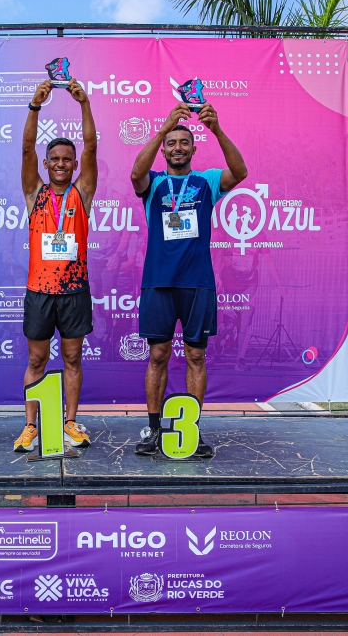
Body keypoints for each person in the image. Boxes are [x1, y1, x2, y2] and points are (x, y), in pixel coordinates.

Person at [129, 101, 248, 456]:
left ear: (194, 150)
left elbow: (239, 171)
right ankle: (154, 431)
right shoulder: (154, 183)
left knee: (196, 356)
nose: (177, 147)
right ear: (164, 149)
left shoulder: (206, 181)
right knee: (158, 355)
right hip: (159, 282)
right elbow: (135, 173)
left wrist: (217, 130)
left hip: (198, 283)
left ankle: (191, 431)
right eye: (172, 143)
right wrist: (164, 128)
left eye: (184, 143)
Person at [13, 79, 97, 453]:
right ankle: (30, 426)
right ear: (46, 164)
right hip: (40, 292)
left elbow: (92, 146)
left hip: (75, 290)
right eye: (55, 159)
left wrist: (84, 104)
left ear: (74, 164)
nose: (61, 164)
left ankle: (69, 422)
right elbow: (26, 148)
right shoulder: (35, 194)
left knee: (73, 357)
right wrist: (34, 106)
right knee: (36, 359)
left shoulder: (82, 193)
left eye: (67, 159)